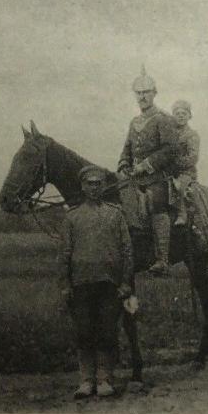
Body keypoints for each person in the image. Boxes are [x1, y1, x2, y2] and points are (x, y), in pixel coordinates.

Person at [59, 165, 133, 398]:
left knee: (107, 331)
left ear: (104, 186)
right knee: (84, 332)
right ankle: (86, 380)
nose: (94, 188)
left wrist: (125, 283)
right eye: (89, 184)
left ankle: (104, 380)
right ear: (82, 187)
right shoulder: (72, 217)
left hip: (109, 284)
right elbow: (64, 253)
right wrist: (65, 284)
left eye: (98, 183)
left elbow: (127, 251)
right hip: (81, 284)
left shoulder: (116, 214)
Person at [117, 66, 178, 275]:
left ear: (154, 93)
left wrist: (146, 165)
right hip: (134, 179)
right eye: (139, 93)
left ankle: (162, 259)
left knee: (156, 204)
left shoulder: (163, 119)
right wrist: (124, 165)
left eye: (146, 92)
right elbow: (126, 149)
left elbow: (171, 149)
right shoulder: (134, 122)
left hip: (158, 177)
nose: (142, 97)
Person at [170, 100, 200, 226]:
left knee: (179, 187)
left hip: (185, 172)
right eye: (177, 113)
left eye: (184, 113)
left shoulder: (192, 135)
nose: (181, 116)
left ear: (189, 116)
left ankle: (181, 214)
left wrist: (176, 164)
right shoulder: (168, 134)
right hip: (167, 171)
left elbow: (192, 157)